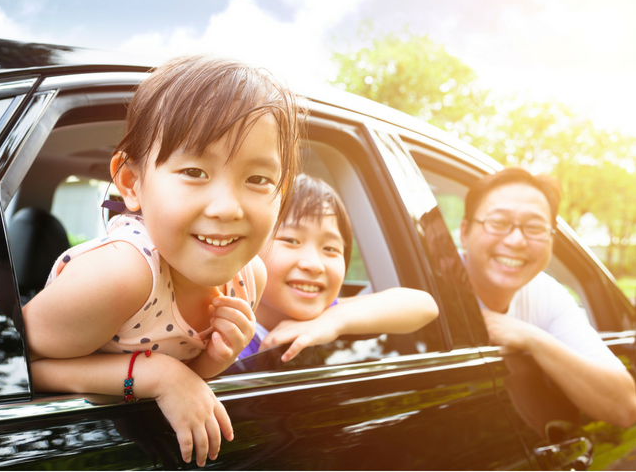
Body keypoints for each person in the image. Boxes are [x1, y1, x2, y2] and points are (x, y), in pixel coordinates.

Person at [21, 55, 301, 466]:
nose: (227, 208)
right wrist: (157, 376)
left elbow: (191, 374)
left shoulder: (248, 276)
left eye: (258, 179)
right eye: (194, 171)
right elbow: (20, 364)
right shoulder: (122, 274)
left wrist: (215, 357)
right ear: (132, 183)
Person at [459, 167, 636, 427]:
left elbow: (625, 408)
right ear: (464, 232)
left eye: (534, 227)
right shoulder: (423, 292)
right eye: (498, 223)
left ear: (552, 240)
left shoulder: (545, 293)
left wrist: (533, 339)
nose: (516, 240)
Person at [239, 174, 439, 362]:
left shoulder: (326, 313)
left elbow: (425, 305)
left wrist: (334, 321)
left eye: (330, 248)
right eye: (291, 240)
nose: (314, 264)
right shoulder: (222, 337)